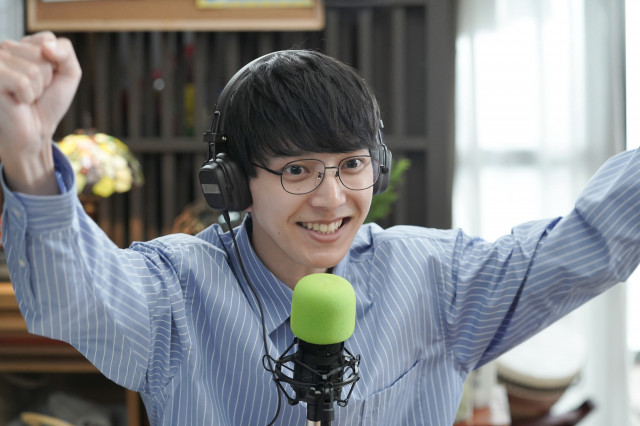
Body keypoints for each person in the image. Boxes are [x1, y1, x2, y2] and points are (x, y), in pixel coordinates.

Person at [0, 31, 639, 426]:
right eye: (297, 169)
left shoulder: (436, 278)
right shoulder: (176, 289)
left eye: (352, 165)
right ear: (233, 183)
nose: (332, 199)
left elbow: (589, 242)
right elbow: (72, 295)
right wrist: (28, 155)